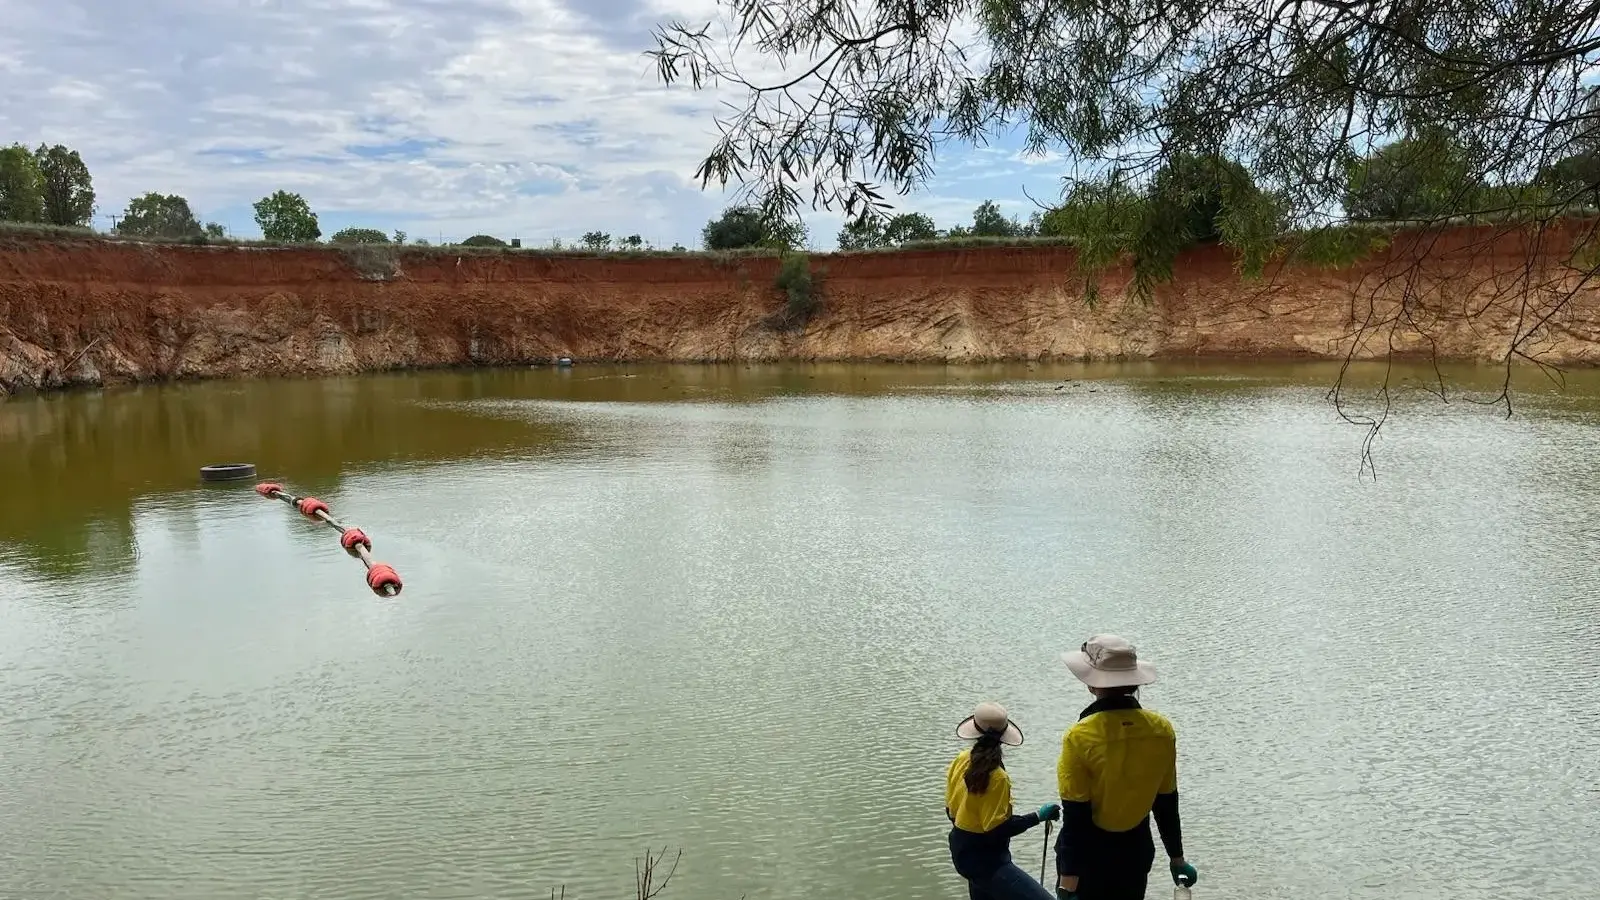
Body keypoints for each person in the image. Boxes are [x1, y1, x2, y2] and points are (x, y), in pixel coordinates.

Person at [1054, 635, 1199, 900]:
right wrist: (1177, 858)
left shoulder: (1079, 737)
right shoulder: (1161, 730)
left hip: (1090, 859)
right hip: (1136, 852)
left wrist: (1068, 884)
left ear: (1091, 684)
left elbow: (1076, 819)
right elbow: (1166, 802)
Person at [946, 701, 1061, 900]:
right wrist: (1037, 816)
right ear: (1004, 738)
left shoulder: (961, 759)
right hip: (989, 862)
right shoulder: (998, 777)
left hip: (962, 852)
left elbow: (950, 812)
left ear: (975, 731)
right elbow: (997, 830)